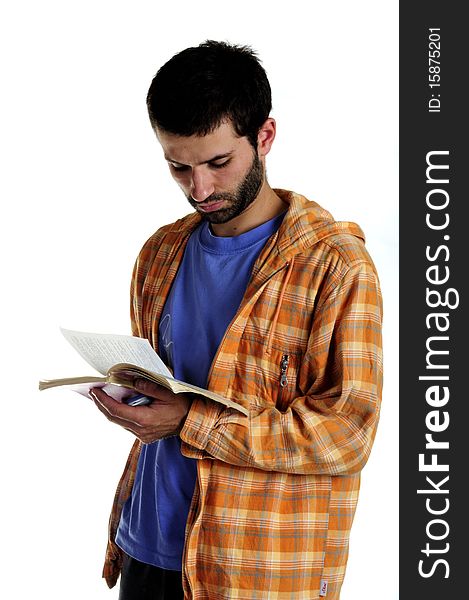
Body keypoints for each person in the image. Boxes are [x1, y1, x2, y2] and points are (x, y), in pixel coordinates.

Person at [90, 40, 383, 600]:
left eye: (218, 163)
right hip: (145, 548)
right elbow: (163, 384)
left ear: (264, 137)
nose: (199, 189)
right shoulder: (160, 252)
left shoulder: (335, 265)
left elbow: (348, 435)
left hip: (256, 572)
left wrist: (189, 422)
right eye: (179, 166)